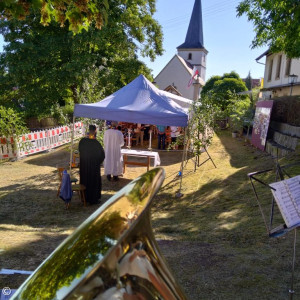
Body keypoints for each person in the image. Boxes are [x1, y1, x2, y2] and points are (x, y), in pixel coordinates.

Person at [79, 125, 105, 205]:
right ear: (95, 131)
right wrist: (97, 162)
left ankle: (84, 198)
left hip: (84, 166)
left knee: (85, 181)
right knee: (94, 182)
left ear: (89, 130)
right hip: (94, 167)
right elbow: (102, 155)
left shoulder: (82, 141)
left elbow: (80, 151)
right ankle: (94, 199)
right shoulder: (96, 143)